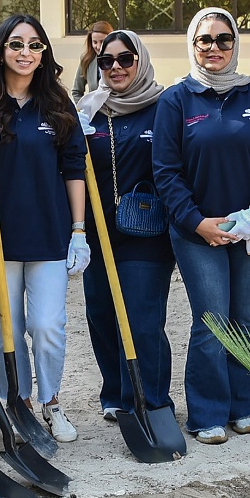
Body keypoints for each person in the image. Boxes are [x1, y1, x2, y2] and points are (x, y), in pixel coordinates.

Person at [0, 14, 89, 443]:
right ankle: (19, 404)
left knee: (47, 325)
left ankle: (51, 403)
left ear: (43, 53)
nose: (25, 52)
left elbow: (74, 169)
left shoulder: (58, 104)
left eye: (34, 45)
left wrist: (79, 230)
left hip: (48, 235)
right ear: (1, 51)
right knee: (4, 328)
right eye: (16, 44)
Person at [154, 7, 250, 444]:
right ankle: (207, 413)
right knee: (212, 321)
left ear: (235, 45)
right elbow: (166, 172)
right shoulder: (176, 99)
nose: (214, 48)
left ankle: (245, 405)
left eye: (223, 40)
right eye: (204, 40)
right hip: (198, 231)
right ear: (192, 44)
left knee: (247, 318)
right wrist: (198, 223)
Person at [77, 30, 175, 421]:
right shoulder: (88, 110)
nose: (115, 67)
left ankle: (151, 401)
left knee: (141, 318)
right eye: (106, 61)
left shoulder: (164, 105)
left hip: (147, 232)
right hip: (98, 229)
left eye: (125, 59)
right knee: (100, 313)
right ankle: (117, 395)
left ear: (141, 60)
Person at [71, 20, 113, 102]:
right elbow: (77, 92)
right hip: (96, 113)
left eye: (102, 41)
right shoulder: (86, 60)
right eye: (95, 42)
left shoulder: (120, 61)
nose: (98, 46)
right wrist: (84, 110)